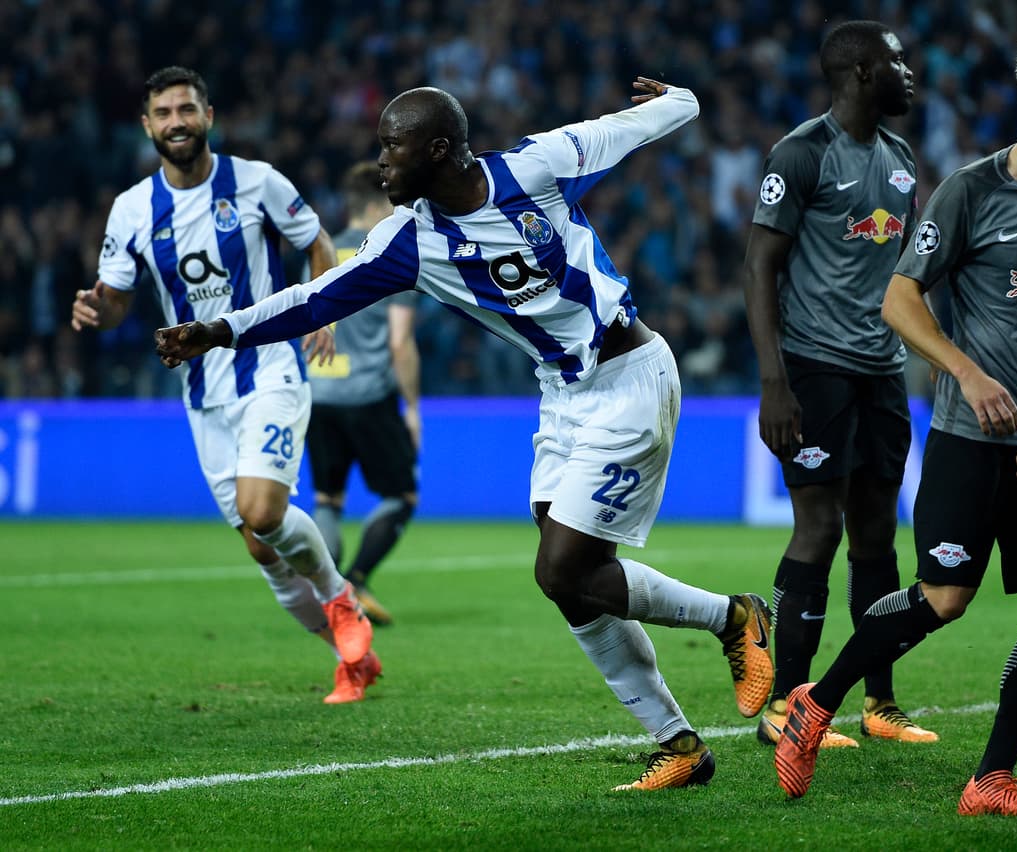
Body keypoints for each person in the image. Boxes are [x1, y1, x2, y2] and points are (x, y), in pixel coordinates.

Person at [154, 77, 774, 791]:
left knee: (562, 569)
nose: (379, 162)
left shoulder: (537, 167)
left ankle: (732, 617)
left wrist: (686, 98)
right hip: (563, 393)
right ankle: (680, 746)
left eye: (392, 146)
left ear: (439, 150)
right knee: (571, 586)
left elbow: (634, 126)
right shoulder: (407, 240)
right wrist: (220, 330)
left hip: (629, 375)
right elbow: (315, 298)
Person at [773, 27, 1017, 819]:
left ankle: (992, 776)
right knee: (942, 597)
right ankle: (816, 702)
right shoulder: (971, 191)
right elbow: (901, 299)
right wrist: (965, 371)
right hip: (972, 436)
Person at [72, 66, 378, 705]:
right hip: (203, 395)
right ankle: (350, 659)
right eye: (164, 112)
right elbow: (119, 302)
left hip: (270, 366)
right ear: (147, 125)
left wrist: (322, 313)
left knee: (262, 511)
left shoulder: (257, 182)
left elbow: (316, 241)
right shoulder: (132, 209)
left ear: (208, 115)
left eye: (187, 108)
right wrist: (97, 310)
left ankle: (343, 600)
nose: (176, 121)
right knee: (262, 549)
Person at [743, 20, 934, 750]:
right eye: (896, 60)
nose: (908, 71)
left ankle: (879, 702)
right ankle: (789, 706)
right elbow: (760, 266)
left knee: (878, 537)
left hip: (882, 372)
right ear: (859, 72)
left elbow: (900, 275)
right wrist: (774, 379)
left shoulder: (900, 156)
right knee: (818, 528)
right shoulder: (800, 153)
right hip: (815, 368)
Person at [306, 161, 421, 626]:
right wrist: (412, 406)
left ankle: (331, 594)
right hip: (370, 396)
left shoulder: (321, 253)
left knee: (327, 499)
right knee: (402, 496)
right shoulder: (392, 255)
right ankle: (355, 581)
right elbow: (400, 341)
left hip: (320, 392)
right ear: (378, 205)